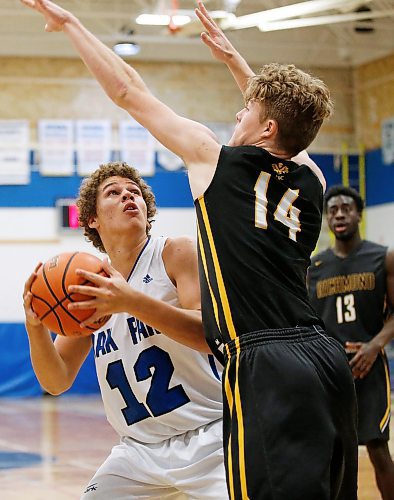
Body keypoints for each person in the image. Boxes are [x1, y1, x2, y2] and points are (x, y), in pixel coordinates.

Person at [21, 1, 358, 498]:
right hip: (322, 355)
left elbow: (127, 91)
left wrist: (70, 23)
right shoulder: (313, 178)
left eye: (246, 109)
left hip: (261, 358)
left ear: (265, 129)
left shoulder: (215, 163)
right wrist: (237, 66)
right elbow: (289, 125)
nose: (237, 111)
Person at [23, 161, 227, 499]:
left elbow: (211, 337)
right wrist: (35, 327)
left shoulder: (175, 253)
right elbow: (55, 381)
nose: (128, 196)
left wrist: (131, 302)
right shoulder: (88, 286)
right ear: (92, 219)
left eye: (134, 192)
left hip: (210, 437)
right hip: (138, 452)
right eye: (113, 193)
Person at [308, 185, 394, 499]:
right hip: (332, 372)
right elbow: (311, 323)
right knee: (335, 452)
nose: (340, 214)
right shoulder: (314, 268)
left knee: (377, 447)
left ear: (359, 214)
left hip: (370, 368)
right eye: (333, 210)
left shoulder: (382, 257)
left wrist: (374, 346)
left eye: (346, 208)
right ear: (327, 219)